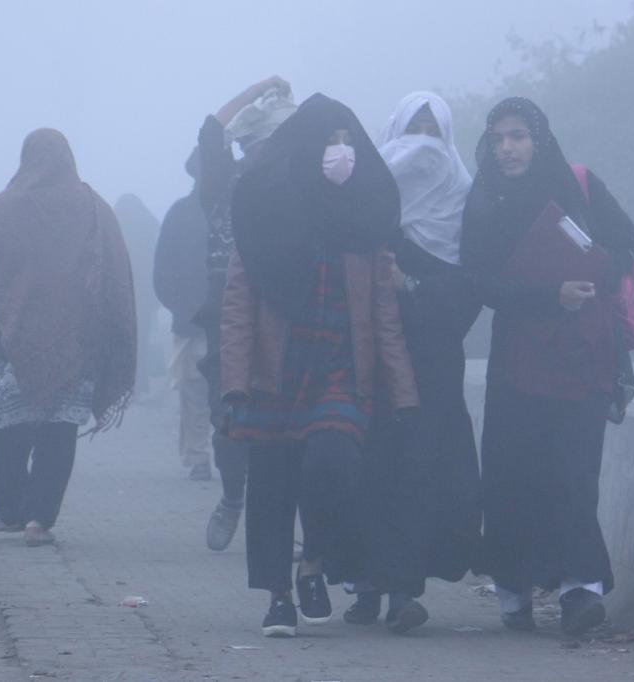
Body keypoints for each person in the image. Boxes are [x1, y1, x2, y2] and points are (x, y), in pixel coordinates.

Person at [222, 93, 419, 638]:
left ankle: (312, 563)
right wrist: (234, 382)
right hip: (275, 370)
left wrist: (403, 392)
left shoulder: (367, 219)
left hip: (340, 371)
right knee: (272, 485)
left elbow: (383, 315)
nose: (340, 153)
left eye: (348, 141)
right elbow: (238, 304)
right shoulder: (264, 213)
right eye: (329, 141)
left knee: (333, 464)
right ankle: (278, 597)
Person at [460, 98, 634, 636]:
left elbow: (626, 245)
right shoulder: (485, 202)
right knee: (511, 474)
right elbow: (480, 281)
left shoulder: (578, 185)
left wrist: (591, 267)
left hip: (583, 354)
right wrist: (548, 294)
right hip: (518, 358)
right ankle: (514, 591)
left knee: (574, 473)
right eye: (498, 139)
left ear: (538, 140)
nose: (507, 148)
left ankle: (580, 590)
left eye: (518, 136)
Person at [0, 129, 136, 546]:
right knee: (58, 431)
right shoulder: (93, 207)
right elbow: (115, 274)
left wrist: (8, 289)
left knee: (9, 427)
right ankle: (38, 520)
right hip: (73, 343)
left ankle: (9, 512)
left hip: (8, 339)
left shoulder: (4, 206)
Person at [342, 92, 481, 632]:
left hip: (432, 366)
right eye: (412, 128)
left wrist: (412, 287)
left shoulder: (462, 205)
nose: (422, 142)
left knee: (418, 473)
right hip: (369, 361)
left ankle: (403, 590)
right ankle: (364, 585)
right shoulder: (371, 199)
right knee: (368, 468)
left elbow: (470, 289)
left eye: (432, 130)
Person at [196, 76, 297, 550]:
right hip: (228, 311)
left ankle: (287, 520)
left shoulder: (301, 186)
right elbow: (211, 131)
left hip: (287, 307)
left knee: (291, 417)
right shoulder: (225, 184)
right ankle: (233, 496)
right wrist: (258, 90)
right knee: (228, 413)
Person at [154, 150, 213, 480]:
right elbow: (163, 272)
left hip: (224, 323)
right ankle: (201, 456)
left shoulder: (236, 210)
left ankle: (213, 454)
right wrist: (181, 307)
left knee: (209, 394)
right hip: (197, 324)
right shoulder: (181, 214)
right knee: (195, 392)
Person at [115, 194, 163, 395]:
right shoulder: (148, 225)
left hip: (121, 292)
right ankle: (141, 382)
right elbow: (155, 261)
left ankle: (124, 383)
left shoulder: (117, 225)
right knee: (141, 339)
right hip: (144, 294)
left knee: (122, 339)